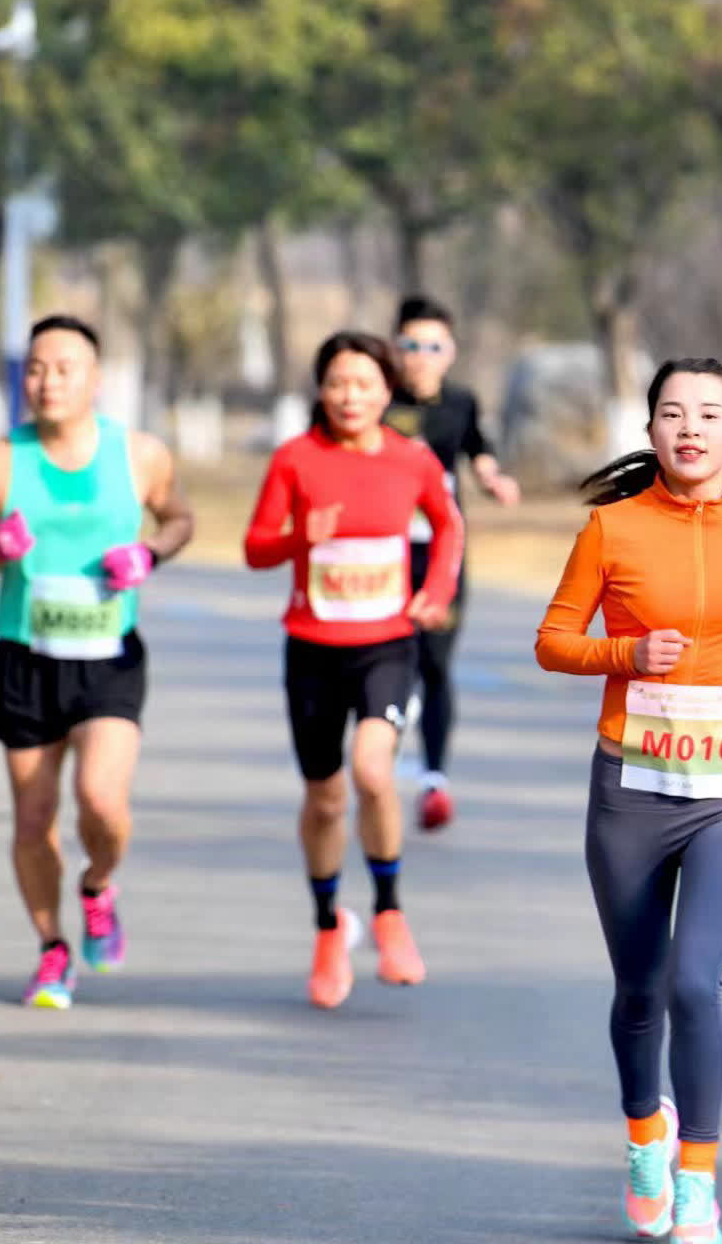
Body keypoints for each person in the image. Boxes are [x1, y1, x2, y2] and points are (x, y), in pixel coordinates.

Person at [535, 358, 722, 1244]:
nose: (688, 428)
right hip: (630, 789)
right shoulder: (611, 530)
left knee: (697, 981)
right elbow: (552, 641)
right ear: (651, 429)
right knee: (641, 990)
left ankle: (698, 1181)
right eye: (670, 413)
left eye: (707, 414)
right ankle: (643, 1135)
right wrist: (625, 657)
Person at [0, 314, 195, 1009]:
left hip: (108, 657)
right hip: (26, 657)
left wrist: (149, 553)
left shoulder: (140, 455)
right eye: (34, 368)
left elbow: (179, 518)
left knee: (100, 799)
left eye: (63, 368)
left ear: (96, 379)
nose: (47, 380)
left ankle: (97, 885)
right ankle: (52, 950)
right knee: (32, 821)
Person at [244, 330, 464, 1009]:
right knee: (325, 799)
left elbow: (449, 525)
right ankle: (327, 927)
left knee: (373, 771)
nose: (350, 396)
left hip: (385, 645)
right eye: (338, 383)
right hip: (311, 649)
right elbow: (256, 548)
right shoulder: (295, 459)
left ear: (386, 391)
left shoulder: (413, 459)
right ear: (321, 389)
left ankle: (391, 912)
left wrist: (438, 590)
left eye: (364, 384)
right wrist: (295, 539)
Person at [383, 295, 521, 832]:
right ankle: (382, 759)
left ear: (450, 352)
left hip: (443, 552)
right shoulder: (376, 401)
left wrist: (493, 479)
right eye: (411, 345)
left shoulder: (461, 403)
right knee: (393, 659)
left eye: (432, 346)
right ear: (395, 350)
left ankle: (434, 779)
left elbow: (478, 452)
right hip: (385, 554)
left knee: (435, 662)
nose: (420, 356)